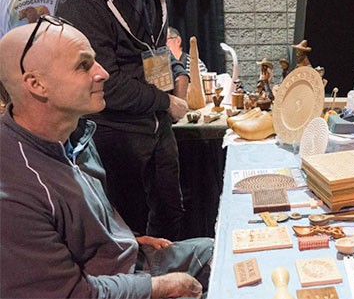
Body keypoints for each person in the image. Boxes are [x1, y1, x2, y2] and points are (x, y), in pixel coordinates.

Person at [0, 20, 212, 298]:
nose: (103, 74)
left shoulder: (76, 134)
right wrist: (159, 287)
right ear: (37, 84)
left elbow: (78, 229)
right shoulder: (13, 191)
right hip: (103, 286)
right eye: (83, 65)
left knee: (227, 251)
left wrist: (122, 239)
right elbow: (70, 294)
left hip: (127, 264)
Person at [55, 0, 190, 241]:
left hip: (157, 130)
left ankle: (172, 287)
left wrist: (178, 72)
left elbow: (155, 48)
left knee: (171, 214)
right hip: (116, 134)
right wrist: (165, 103)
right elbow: (105, 82)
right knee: (127, 229)